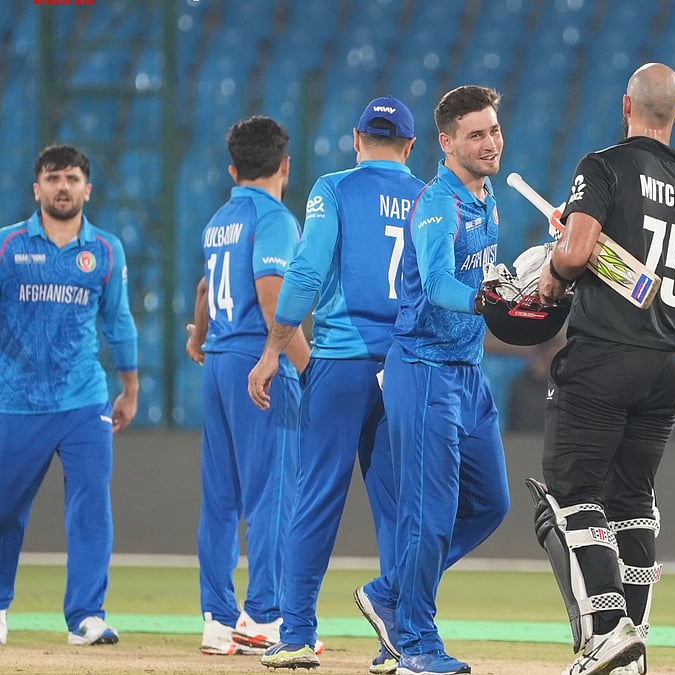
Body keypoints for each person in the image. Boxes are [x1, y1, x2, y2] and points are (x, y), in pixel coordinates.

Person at [531, 62, 675, 675]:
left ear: (624, 105)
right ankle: (633, 643)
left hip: (607, 352)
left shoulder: (601, 166)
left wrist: (551, 275)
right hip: (668, 363)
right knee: (633, 500)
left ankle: (606, 633)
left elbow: (579, 252)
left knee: (572, 495)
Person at [247, 96, 424, 672]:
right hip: (405, 365)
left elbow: (305, 270)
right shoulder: (429, 197)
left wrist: (275, 346)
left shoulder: (334, 188)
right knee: (399, 508)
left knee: (317, 497)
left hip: (344, 361)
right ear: (411, 145)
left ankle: (297, 633)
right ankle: (397, 641)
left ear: (355, 139)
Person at [369, 84, 511, 675]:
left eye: (494, 130)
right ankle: (416, 645)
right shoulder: (437, 204)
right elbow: (437, 284)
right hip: (425, 370)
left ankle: (390, 594)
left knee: (491, 504)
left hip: (467, 375)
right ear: (446, 142)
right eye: (475, 134)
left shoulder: (487, 197)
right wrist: (485, 300)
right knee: (429, 516)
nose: (490, 142)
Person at [0, 144, 138, 646]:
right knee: (5, 508)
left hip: (84, 400)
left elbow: (118, 321)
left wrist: (129, 387)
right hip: (15, 400)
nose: (63, 186)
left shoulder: (104, 250)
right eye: (54, 178)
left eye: (73, 177)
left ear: (88, 189)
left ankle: (86, 615)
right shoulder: (7, 246)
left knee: (90, 504)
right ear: (36, 189)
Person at [184, 116, 310, 656]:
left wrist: (199, 334)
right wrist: (308, 369)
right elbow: (273, 295)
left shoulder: (221, 217)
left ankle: (217, 620)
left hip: (217, 363)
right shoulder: (275, 217)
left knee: (220, 500)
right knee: (271, 497)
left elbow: (207, 283)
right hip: (258, 364)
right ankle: (264, 617)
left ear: (233, 168)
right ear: (285, 164)